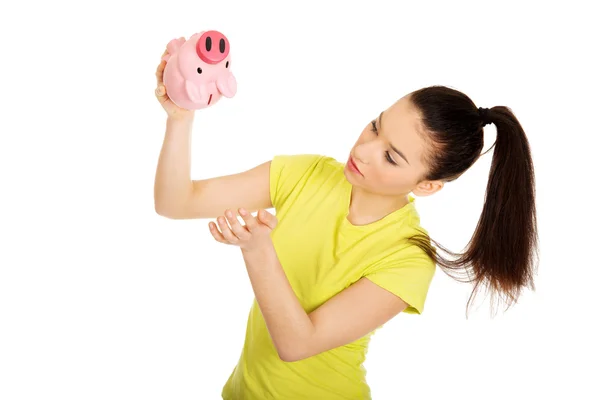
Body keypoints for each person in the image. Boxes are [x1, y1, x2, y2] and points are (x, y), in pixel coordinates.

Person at [153, 50, 539, 399]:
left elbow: (296, 344)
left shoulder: (407, 259)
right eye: (375, 126)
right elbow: (176, 202)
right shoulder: (307, 174)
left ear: (427, 186)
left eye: (391, 157)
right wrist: (180, 119)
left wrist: (258, 252)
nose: (363, 150)